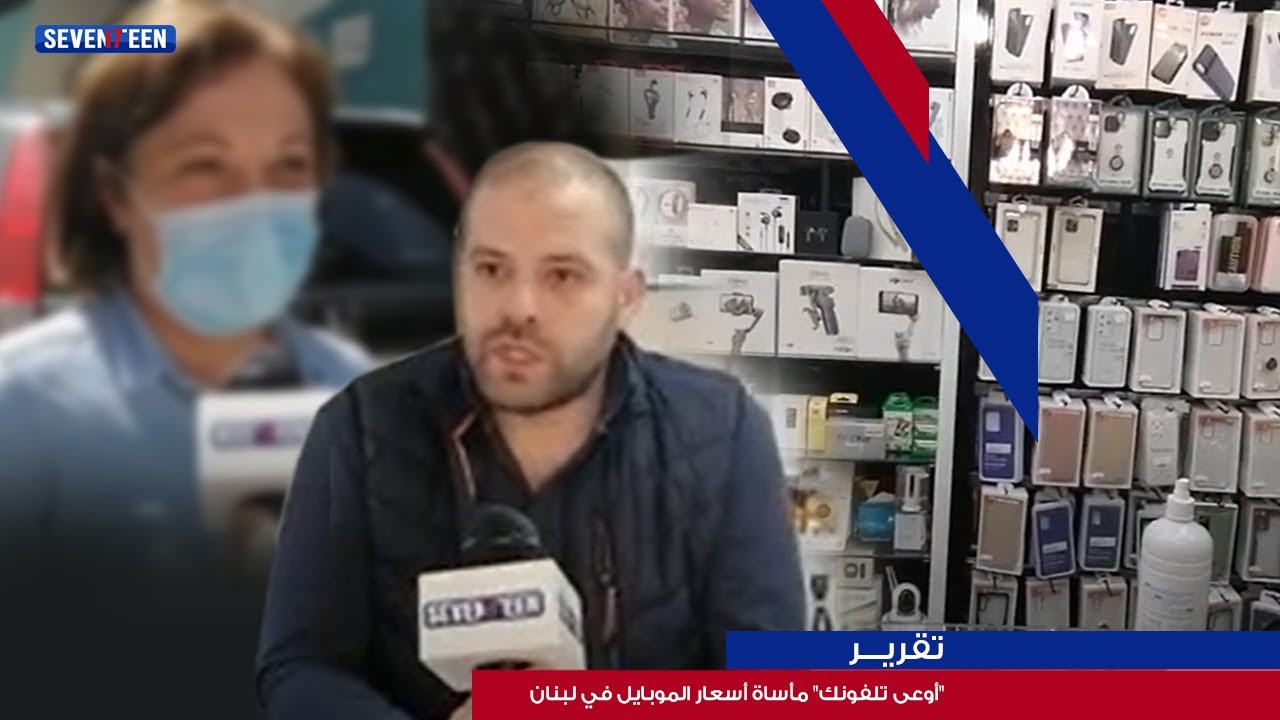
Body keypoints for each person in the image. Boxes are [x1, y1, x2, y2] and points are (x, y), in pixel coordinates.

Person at [257, 142, 804, 720]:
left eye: (562, 276)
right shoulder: (360, 427)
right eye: (491, 269)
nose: (519, 308)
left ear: (624, 298)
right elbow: (301, 668)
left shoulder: (720, 433)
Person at [0, 1, 371, 715]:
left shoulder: (352, 389)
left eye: (289, 165)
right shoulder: (23, 406)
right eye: (205, 165)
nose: (255, 203)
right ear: (115, 195)